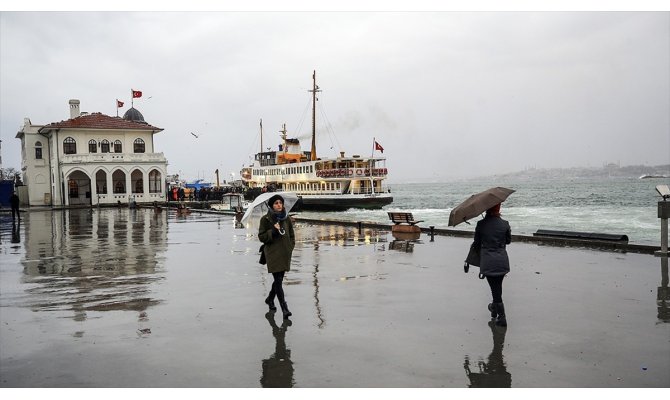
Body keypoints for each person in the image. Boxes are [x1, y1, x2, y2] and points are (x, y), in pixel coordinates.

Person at [473, 202, 511, 327]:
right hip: (502, 261)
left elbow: (477, 244)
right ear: (499, 209)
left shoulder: (481, 224)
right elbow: (508, 241)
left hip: (488, 262)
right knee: (497, 287)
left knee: (495, 289)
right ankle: (494, 309)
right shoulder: (505, 224)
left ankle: (502, 317)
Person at [259, 194, 295, 319]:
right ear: (271, 206)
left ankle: (270, 299)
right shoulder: (266, 219)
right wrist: (273, 231)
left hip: (285, 252)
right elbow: (261, 237)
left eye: (280, 202)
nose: (279, 205)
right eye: (276, 203)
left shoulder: (287, 218)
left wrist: (290, 248)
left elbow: (291, 236)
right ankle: (284, 308)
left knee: (278, 280)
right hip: (273, 254)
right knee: (278, 281)